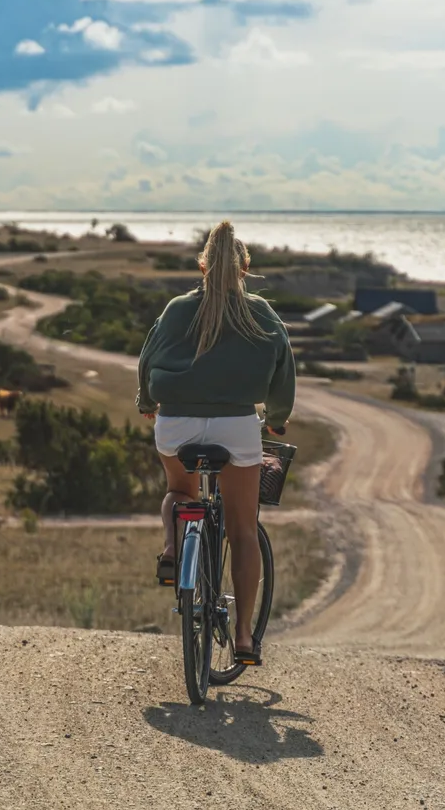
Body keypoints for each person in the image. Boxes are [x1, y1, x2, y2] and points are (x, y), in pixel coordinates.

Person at [136, 221, 295, 665]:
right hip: (237, 428)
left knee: (177, 492)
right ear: (244, 269)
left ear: (203, 266)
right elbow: (284, 368)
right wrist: (278, 420)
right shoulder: (260, 311)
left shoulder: (176, 308)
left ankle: (173, 546)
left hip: (176, 424)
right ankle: (243, 638)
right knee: (243, 531)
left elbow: (148, 358)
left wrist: (148, 402)